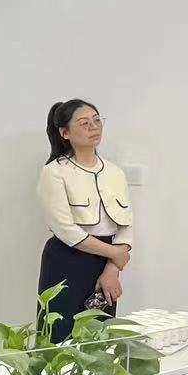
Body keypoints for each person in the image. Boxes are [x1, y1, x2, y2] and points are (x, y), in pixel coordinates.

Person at [37, 99, 133, 341]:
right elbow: (65, 229)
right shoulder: (54, 171)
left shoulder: (115, 172)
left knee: (99, 338)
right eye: (84, 123)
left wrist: (112, 268)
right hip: (67, 260)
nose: (94, 127)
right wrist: (115, 254)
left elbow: (125, 226)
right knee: (60, 336)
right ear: (65, 133)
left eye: (97, 120)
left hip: (106, 262)